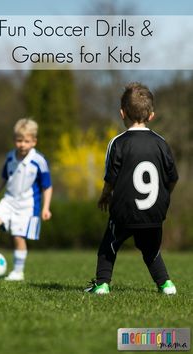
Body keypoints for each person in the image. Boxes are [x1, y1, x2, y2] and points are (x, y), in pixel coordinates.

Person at [85, 82, 178, 295]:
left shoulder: (117, 143)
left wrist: (105, 196)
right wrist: (165, 197)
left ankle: (102, 285)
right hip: (155, 211)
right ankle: (166, 285)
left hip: (125, 210)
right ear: (151, 115)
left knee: (108, 246)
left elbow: (111, 177)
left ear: (122, 113)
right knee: (151, 250)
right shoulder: (161, 143)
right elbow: (173, 177)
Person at [0, 118, 53, 281]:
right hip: (8, 200)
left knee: (18, 237)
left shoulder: (39, 161)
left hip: (27, 205)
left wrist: (46, 208)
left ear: (34, 142)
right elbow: (5, 177)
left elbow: (47, 186)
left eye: (26, 141)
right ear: (15, 140)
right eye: (19, 140)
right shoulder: (10, 157)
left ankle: (18, 272)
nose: (22, 144)